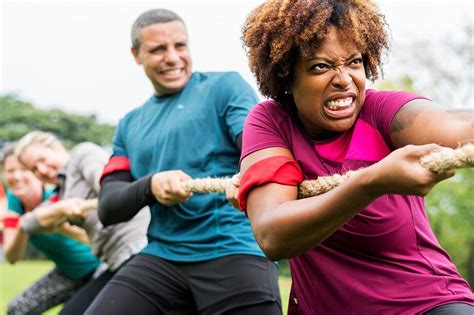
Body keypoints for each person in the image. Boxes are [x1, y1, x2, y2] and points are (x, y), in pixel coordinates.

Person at [238, 0, 474, 314]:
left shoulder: (381, 112)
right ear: (286, 76)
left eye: (354, 62)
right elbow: (272, 234)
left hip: (427, 303)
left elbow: (456, 126)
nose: (344, 79)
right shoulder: (272, 122)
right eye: (320, 66)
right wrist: (371, 182)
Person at [85, 8, 281, 315]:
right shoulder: (129, 125)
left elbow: (257, 149)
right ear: (136, 55)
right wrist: (150, 185)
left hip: (232, 249)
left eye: (180, 46)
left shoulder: (224, 88)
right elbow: (108, 208)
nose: (173, 57)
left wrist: (248, 173)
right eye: (158, 50)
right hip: (162, 257)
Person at [14, 131, 150, 315]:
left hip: (139, 248)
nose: (43, 170)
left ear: (56, 147)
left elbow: (109, 188)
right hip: (116, 261)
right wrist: (61, 209)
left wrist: (69, 208)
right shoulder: (62, 195)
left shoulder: (82, 154)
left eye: (43, 159)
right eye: (34, 169)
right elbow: (28, 224)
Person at [2, 143, 101, 315]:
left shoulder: (56, 196)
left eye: (23, 170)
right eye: (10, 171)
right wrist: (22, 227)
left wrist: (59, 227)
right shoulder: (14, 200)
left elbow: (92, 237)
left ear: (34, 174)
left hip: (98, 268)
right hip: (68, 273)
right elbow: (12, 257)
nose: (16, 176)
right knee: (17, 310)